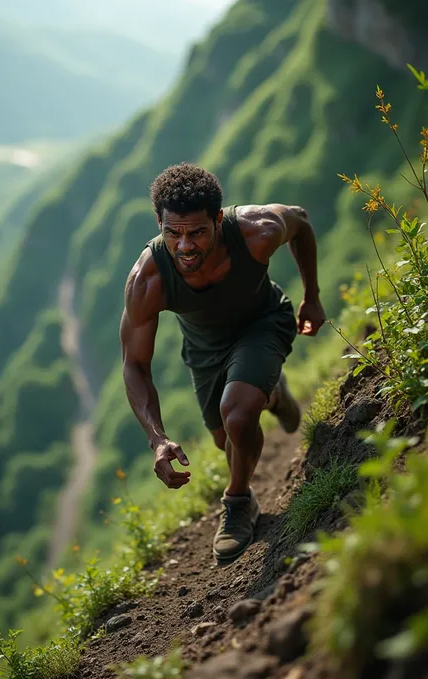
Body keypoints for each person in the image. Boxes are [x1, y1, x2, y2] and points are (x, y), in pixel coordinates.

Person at [120, 163, 325, 561]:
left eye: (197, 232)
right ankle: (272, 394)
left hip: (264, 322)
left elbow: (299, 221)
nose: (185, 246)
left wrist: (311, 295)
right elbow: (134, 365)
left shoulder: (256, 230)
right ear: (159, 223)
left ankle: (238, 502)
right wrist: (157, 438)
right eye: (172, 233)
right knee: (226, 440)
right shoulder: (147, 280)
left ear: (217, 219)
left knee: (237, 413)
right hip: (205, 351)